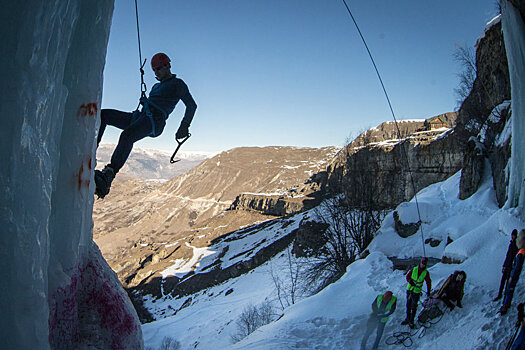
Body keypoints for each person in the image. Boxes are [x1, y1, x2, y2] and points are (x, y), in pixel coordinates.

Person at [95, 52, 197, 198]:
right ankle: (91, 150)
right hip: (141, 116)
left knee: (127, 135)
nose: (156, 72)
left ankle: (109, 176)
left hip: (154, 120)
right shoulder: (156, 86)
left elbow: (191, 105)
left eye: (159, 68)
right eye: (154, 70)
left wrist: (184, 125)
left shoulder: (178, 84)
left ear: (168, 66)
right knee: (105, 115)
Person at [402, 257, 431, 329]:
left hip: (416, 291)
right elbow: (407, 276)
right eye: (422, 263)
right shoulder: (414, 269)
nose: (423, 264)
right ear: (420, 262)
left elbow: (428, 282)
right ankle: (408, 318)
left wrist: (428, 291)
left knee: (414, 306)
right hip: (410, 289)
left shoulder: (425, 273)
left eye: (424, 263)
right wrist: (410, 281)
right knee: (408, 305)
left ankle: (411, 321)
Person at [501, 229, 525, 315]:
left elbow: (518, 267)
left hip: (514, 273)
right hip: (512, 270)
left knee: (509, 288)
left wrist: (513, 274)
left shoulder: (521, 252)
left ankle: (505, 305)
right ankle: (505, 303)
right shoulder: (520, 251)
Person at [494, 229, 519, 301]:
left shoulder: (516, 244)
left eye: (514, 235)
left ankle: (505, 296)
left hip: (511, 266)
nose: (512, 237)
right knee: (503, 281)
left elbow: (514, 257)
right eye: (512, 235)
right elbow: (507, 256)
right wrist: (504, 265)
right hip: (507, 265)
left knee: (508, 282)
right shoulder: (511, 243)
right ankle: (500, 294)